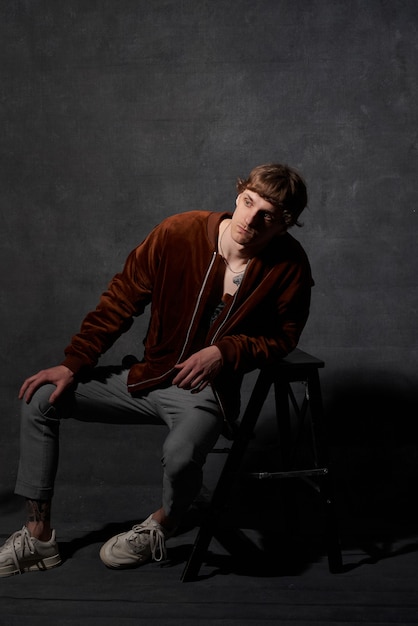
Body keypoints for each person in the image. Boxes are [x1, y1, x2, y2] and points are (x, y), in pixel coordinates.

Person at [0, 163, 313, 577]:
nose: (249, 220)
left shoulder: (290, 266)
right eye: (247, 203)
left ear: (284, 225)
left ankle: (163, 522)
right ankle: (38, 538)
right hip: (147, 377)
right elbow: (121, 300)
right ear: (239, 195)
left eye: (266, 216)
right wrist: (73, 363)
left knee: (181, 456)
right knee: (41, 398)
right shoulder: (179, 232)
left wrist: (225, 351)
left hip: (207, 393)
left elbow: (283, 338)